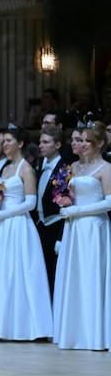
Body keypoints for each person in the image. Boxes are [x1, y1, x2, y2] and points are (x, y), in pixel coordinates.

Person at [0, 127, 53, 341]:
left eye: (8, 141)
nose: (5, 144)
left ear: (20, 144)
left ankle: (23, 325)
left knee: (19, 272)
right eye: (3, 141)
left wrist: (4, 212)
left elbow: (31, 202)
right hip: (1, 226)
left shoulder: (25, 169)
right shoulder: (6, 169)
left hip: (17, 225)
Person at [52, 121, 111, 350]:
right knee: (74, 276)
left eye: (88, 141)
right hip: (74, 227)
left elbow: (109, 201)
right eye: (81, 140)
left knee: (92, 275)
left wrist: (78, 210)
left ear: (100, 143)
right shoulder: (74, 167)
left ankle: (95, 334)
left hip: (93, 227)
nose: (83, 144)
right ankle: (74, 332)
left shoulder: (106, 168)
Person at [34, 126, 68, 298]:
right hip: (41, 226)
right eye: (40, 142)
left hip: (55, 225)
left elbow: (66, 204)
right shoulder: (41, 167)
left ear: (58, 145)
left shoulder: (64, 169)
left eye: (46, 142)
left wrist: (61, 238)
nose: (41, 145)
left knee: (54, 272)